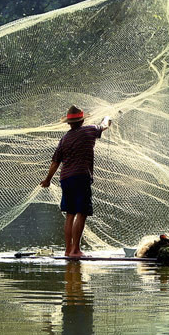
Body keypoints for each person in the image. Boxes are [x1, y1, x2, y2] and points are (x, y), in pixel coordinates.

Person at [40, 105, 111, 258]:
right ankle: (76, 250)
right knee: (82, 212)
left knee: (70, 214)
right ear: (82, 121)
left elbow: (55, 162)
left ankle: (68, 250)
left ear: (69, 123)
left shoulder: (64, 139)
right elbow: (104, 125)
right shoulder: (89, 130)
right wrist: (107, 117)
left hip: (65, 179)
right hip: (81, 177)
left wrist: (47, 180)